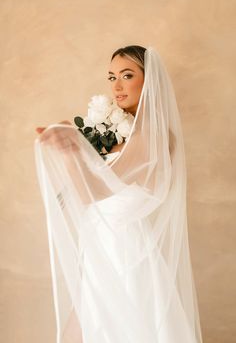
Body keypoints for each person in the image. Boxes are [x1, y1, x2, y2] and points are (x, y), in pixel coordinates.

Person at [35, 45, 203, 343]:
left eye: (127, 75)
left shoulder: (152, 134)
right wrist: (75, 146)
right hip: (103, 249)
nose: (117, 86)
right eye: (111, 77)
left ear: (148, 80)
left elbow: (97, 192)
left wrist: (70, 147)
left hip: (125, 254)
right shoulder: (122, 133)